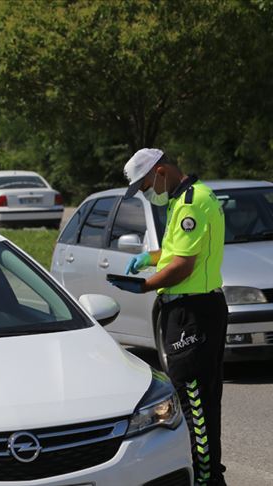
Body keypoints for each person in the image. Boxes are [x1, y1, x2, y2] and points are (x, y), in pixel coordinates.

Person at [113, 148, 227, 485]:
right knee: (199, 398)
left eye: (146, 185)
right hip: (192, 310)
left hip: (193, 312)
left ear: (161, 171)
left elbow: (183, 265)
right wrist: (149, 258)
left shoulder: (191, 202)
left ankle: (205, 478)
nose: (147, 194)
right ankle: (208, 474)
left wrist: (144, 286)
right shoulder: (185, 198)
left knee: (194, 402)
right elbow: (179, 251)